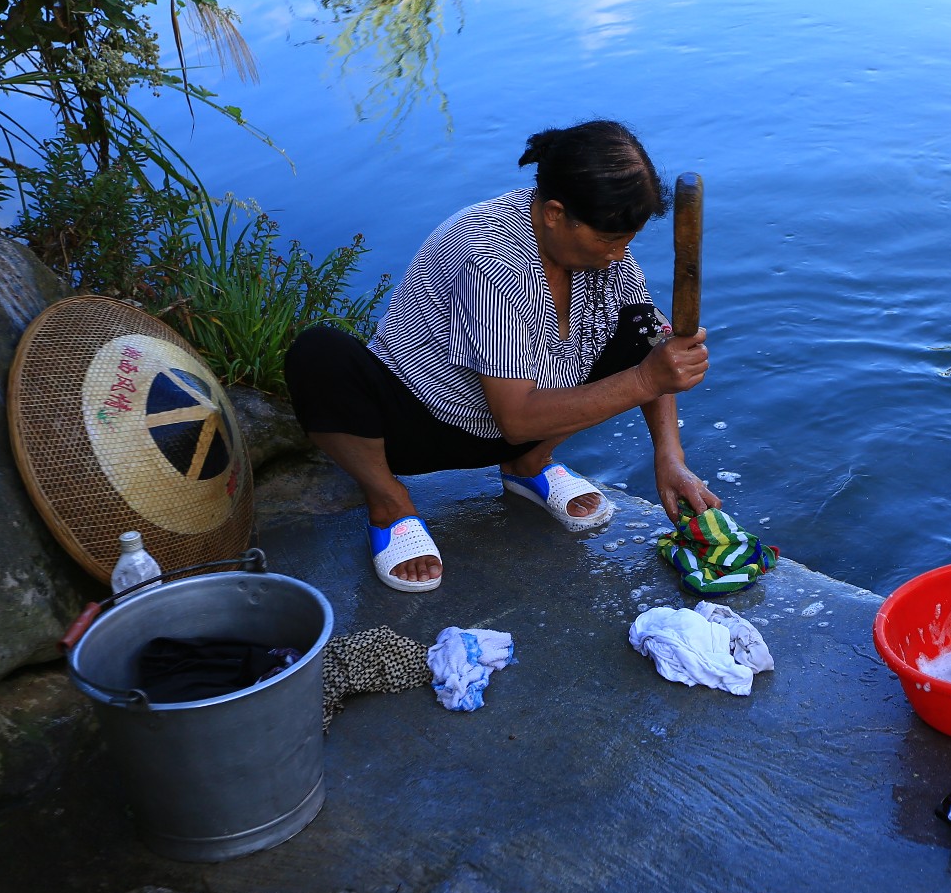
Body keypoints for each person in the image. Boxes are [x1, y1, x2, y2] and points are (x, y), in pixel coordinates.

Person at [283, 120, 719, 593]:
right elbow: (517, 419)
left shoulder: (600, 254)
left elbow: (654, 347)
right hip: (423, 423)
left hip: (528, 428)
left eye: (626, 242)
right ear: (554, 213)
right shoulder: (490, 260)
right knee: (318, 355)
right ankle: (390, 503)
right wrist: (644, 380)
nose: (619, 255)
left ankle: (530, 466)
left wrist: (670, 457)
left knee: (643, 329)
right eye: (609, 241)